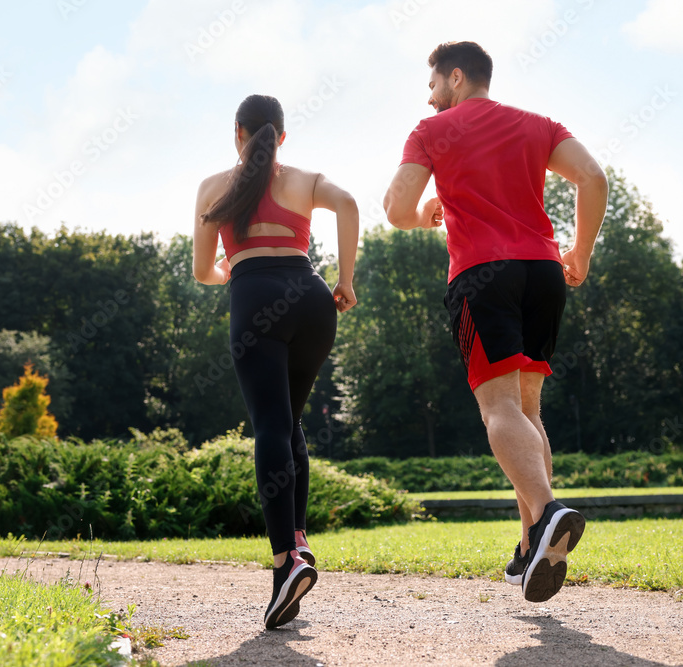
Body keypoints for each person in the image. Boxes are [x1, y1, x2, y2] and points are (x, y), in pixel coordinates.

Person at [383, 42, 608, 603]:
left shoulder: (431, 131)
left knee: (498, 409)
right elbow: (593, 177)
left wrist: (420, 214)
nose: (429, 94)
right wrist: (580, 252)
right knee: (528, 410)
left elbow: (393, 208)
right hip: (543, 272)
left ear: (456, 77)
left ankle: (549, 511)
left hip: (483, 276)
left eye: (433, 83)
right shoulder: (539, 125)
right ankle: (531, 544)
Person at [193, 94, 359, 628]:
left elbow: (203, 271)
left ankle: (284, 562)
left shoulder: (213, 188)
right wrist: (346, 282)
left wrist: (232, 269)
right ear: (282, 136)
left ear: (236, 132)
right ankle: (299, 543)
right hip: (312, 301)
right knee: (290, 422)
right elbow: (351, 204)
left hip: (254, 300)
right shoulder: (305, 181)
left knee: (269, 425)